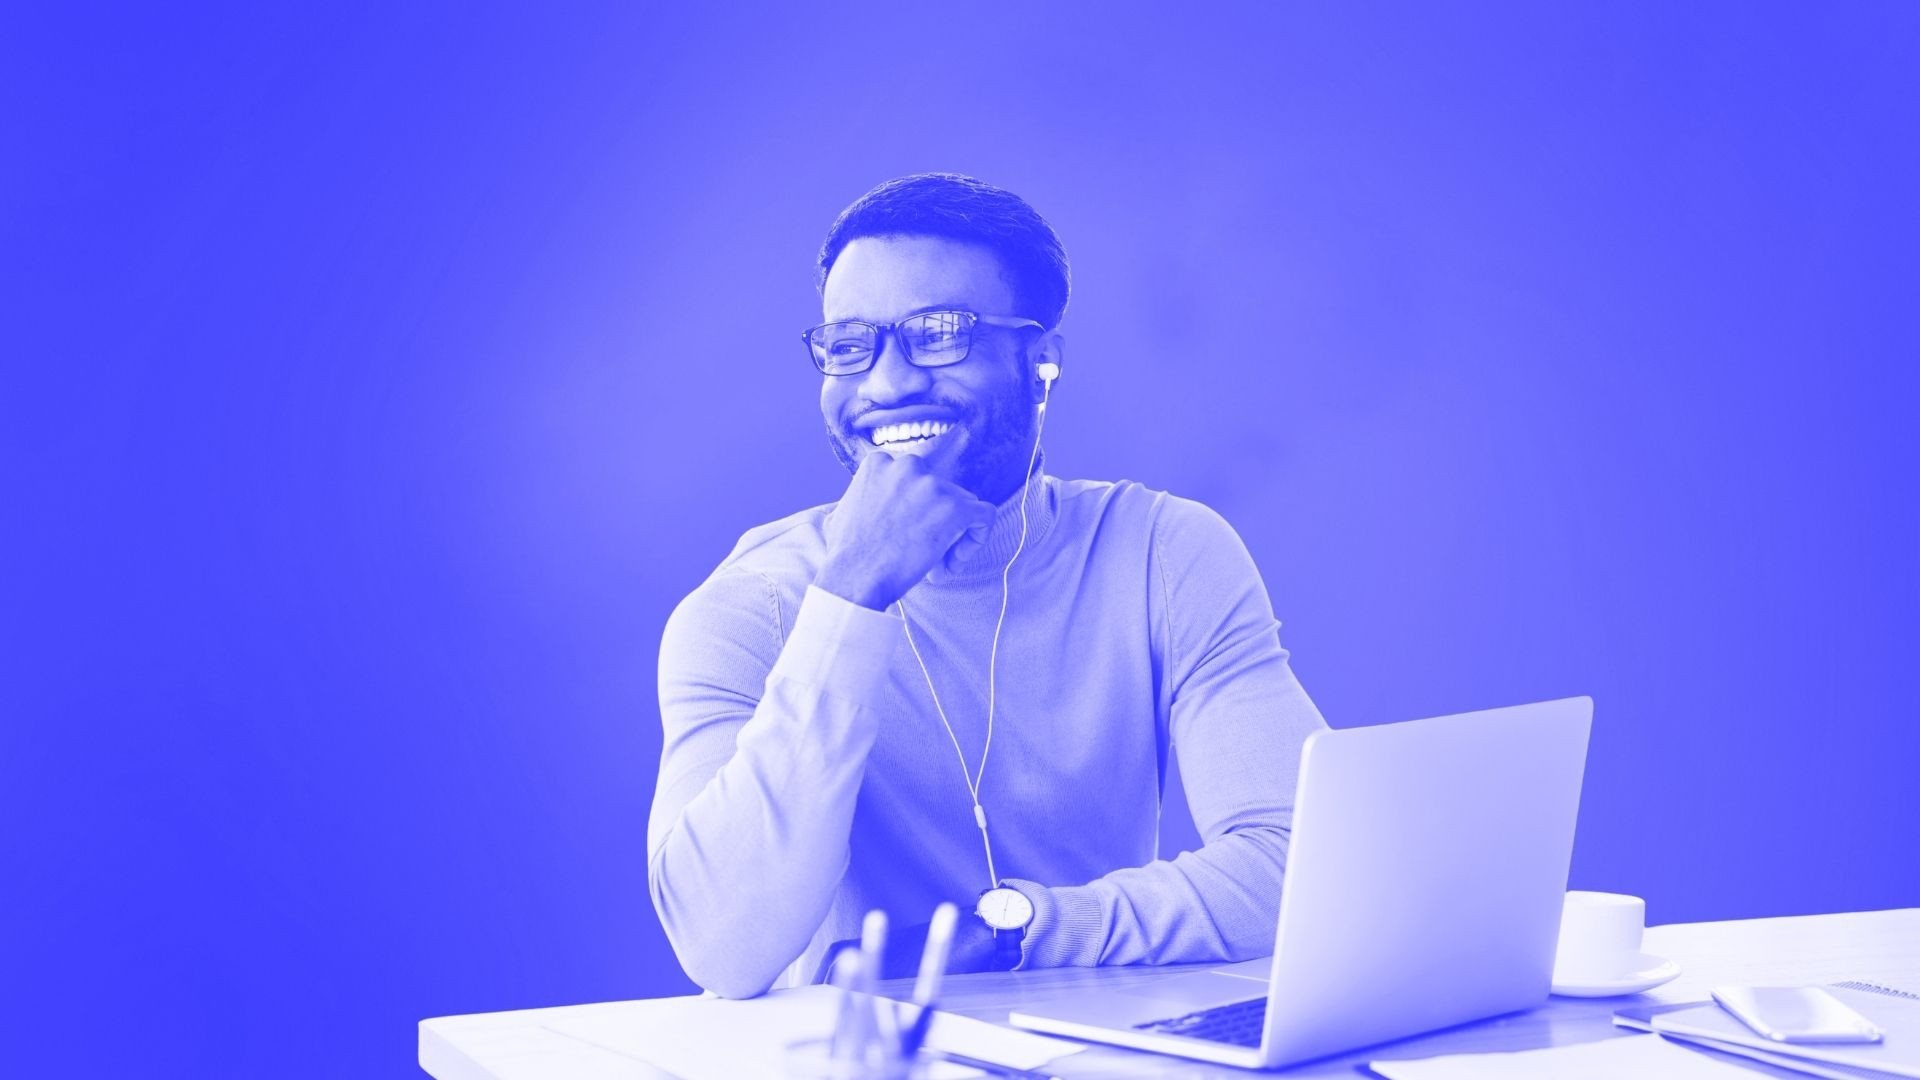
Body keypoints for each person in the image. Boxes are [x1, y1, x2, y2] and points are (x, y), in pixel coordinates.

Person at [647, 173, 1326, 999]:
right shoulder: (748, 608)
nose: (888, 383)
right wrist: (850, 595)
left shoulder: (1161, 553)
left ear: (1041, 359)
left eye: (940, 334)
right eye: (850, 344)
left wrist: (1013, 934)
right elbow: (724, 948)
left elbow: (1299, 860)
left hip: (1107, 1052)